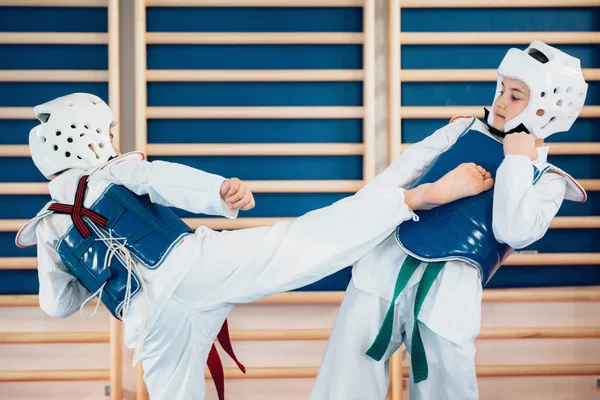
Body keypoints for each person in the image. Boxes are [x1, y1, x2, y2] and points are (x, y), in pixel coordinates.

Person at [15, 92, 493, 399]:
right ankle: (414, 197)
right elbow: (162, 178)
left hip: (150, 324)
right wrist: (219, 192)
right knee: (299, 242)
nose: (115, 141)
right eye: (110, 133)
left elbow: (57, 306)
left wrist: (90, 275)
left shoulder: (48, 227)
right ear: (86, 138)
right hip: (193, 267)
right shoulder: (114, 171)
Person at [311, 40, 588, 400]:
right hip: (386, 265)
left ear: (546, 109)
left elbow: (514, 231)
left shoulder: (548, 180)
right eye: (502, 89)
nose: (501, 101)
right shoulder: (460, 130)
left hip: (451, 293)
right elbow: (389, 182)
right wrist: (353, 236)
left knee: (448, 390)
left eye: (516, 95)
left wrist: (518, 160)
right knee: (345, 380)